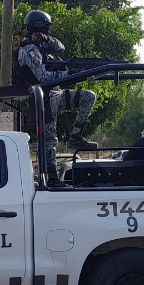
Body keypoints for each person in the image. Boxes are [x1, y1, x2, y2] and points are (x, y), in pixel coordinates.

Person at [14, 10, 98, 187]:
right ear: (41, 26)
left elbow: (61, 48)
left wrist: (46, 39)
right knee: (50, 139)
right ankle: (51, 178)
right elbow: (43, 77)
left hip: (55, 94)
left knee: (88, 97)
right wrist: (71, 74)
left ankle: (76, 136)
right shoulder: (29, 49)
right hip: (43, 97)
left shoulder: (42, 45)